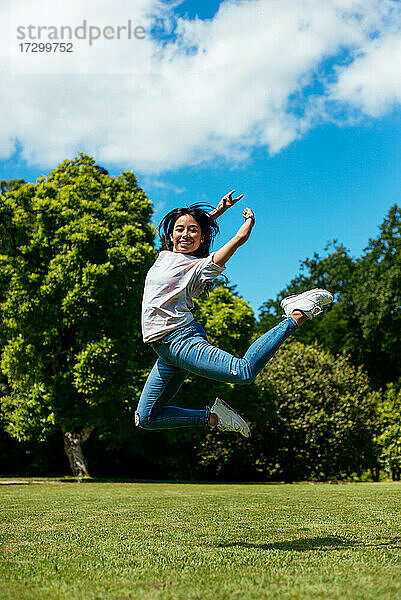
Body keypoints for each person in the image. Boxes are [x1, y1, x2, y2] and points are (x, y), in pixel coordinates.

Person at [135, 190, 333, 438]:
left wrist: (244, 230)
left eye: (193, 231)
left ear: (202, 237)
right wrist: (219, 211)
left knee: (244, 371)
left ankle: (297, 314)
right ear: (172, 234)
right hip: (164, 349)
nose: (186, 234)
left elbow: (231, 246)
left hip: (180, 339)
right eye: (180, 229)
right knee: (147, 418)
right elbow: (192, 227)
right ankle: (215, 418)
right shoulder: (164, 256)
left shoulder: (198, 267)